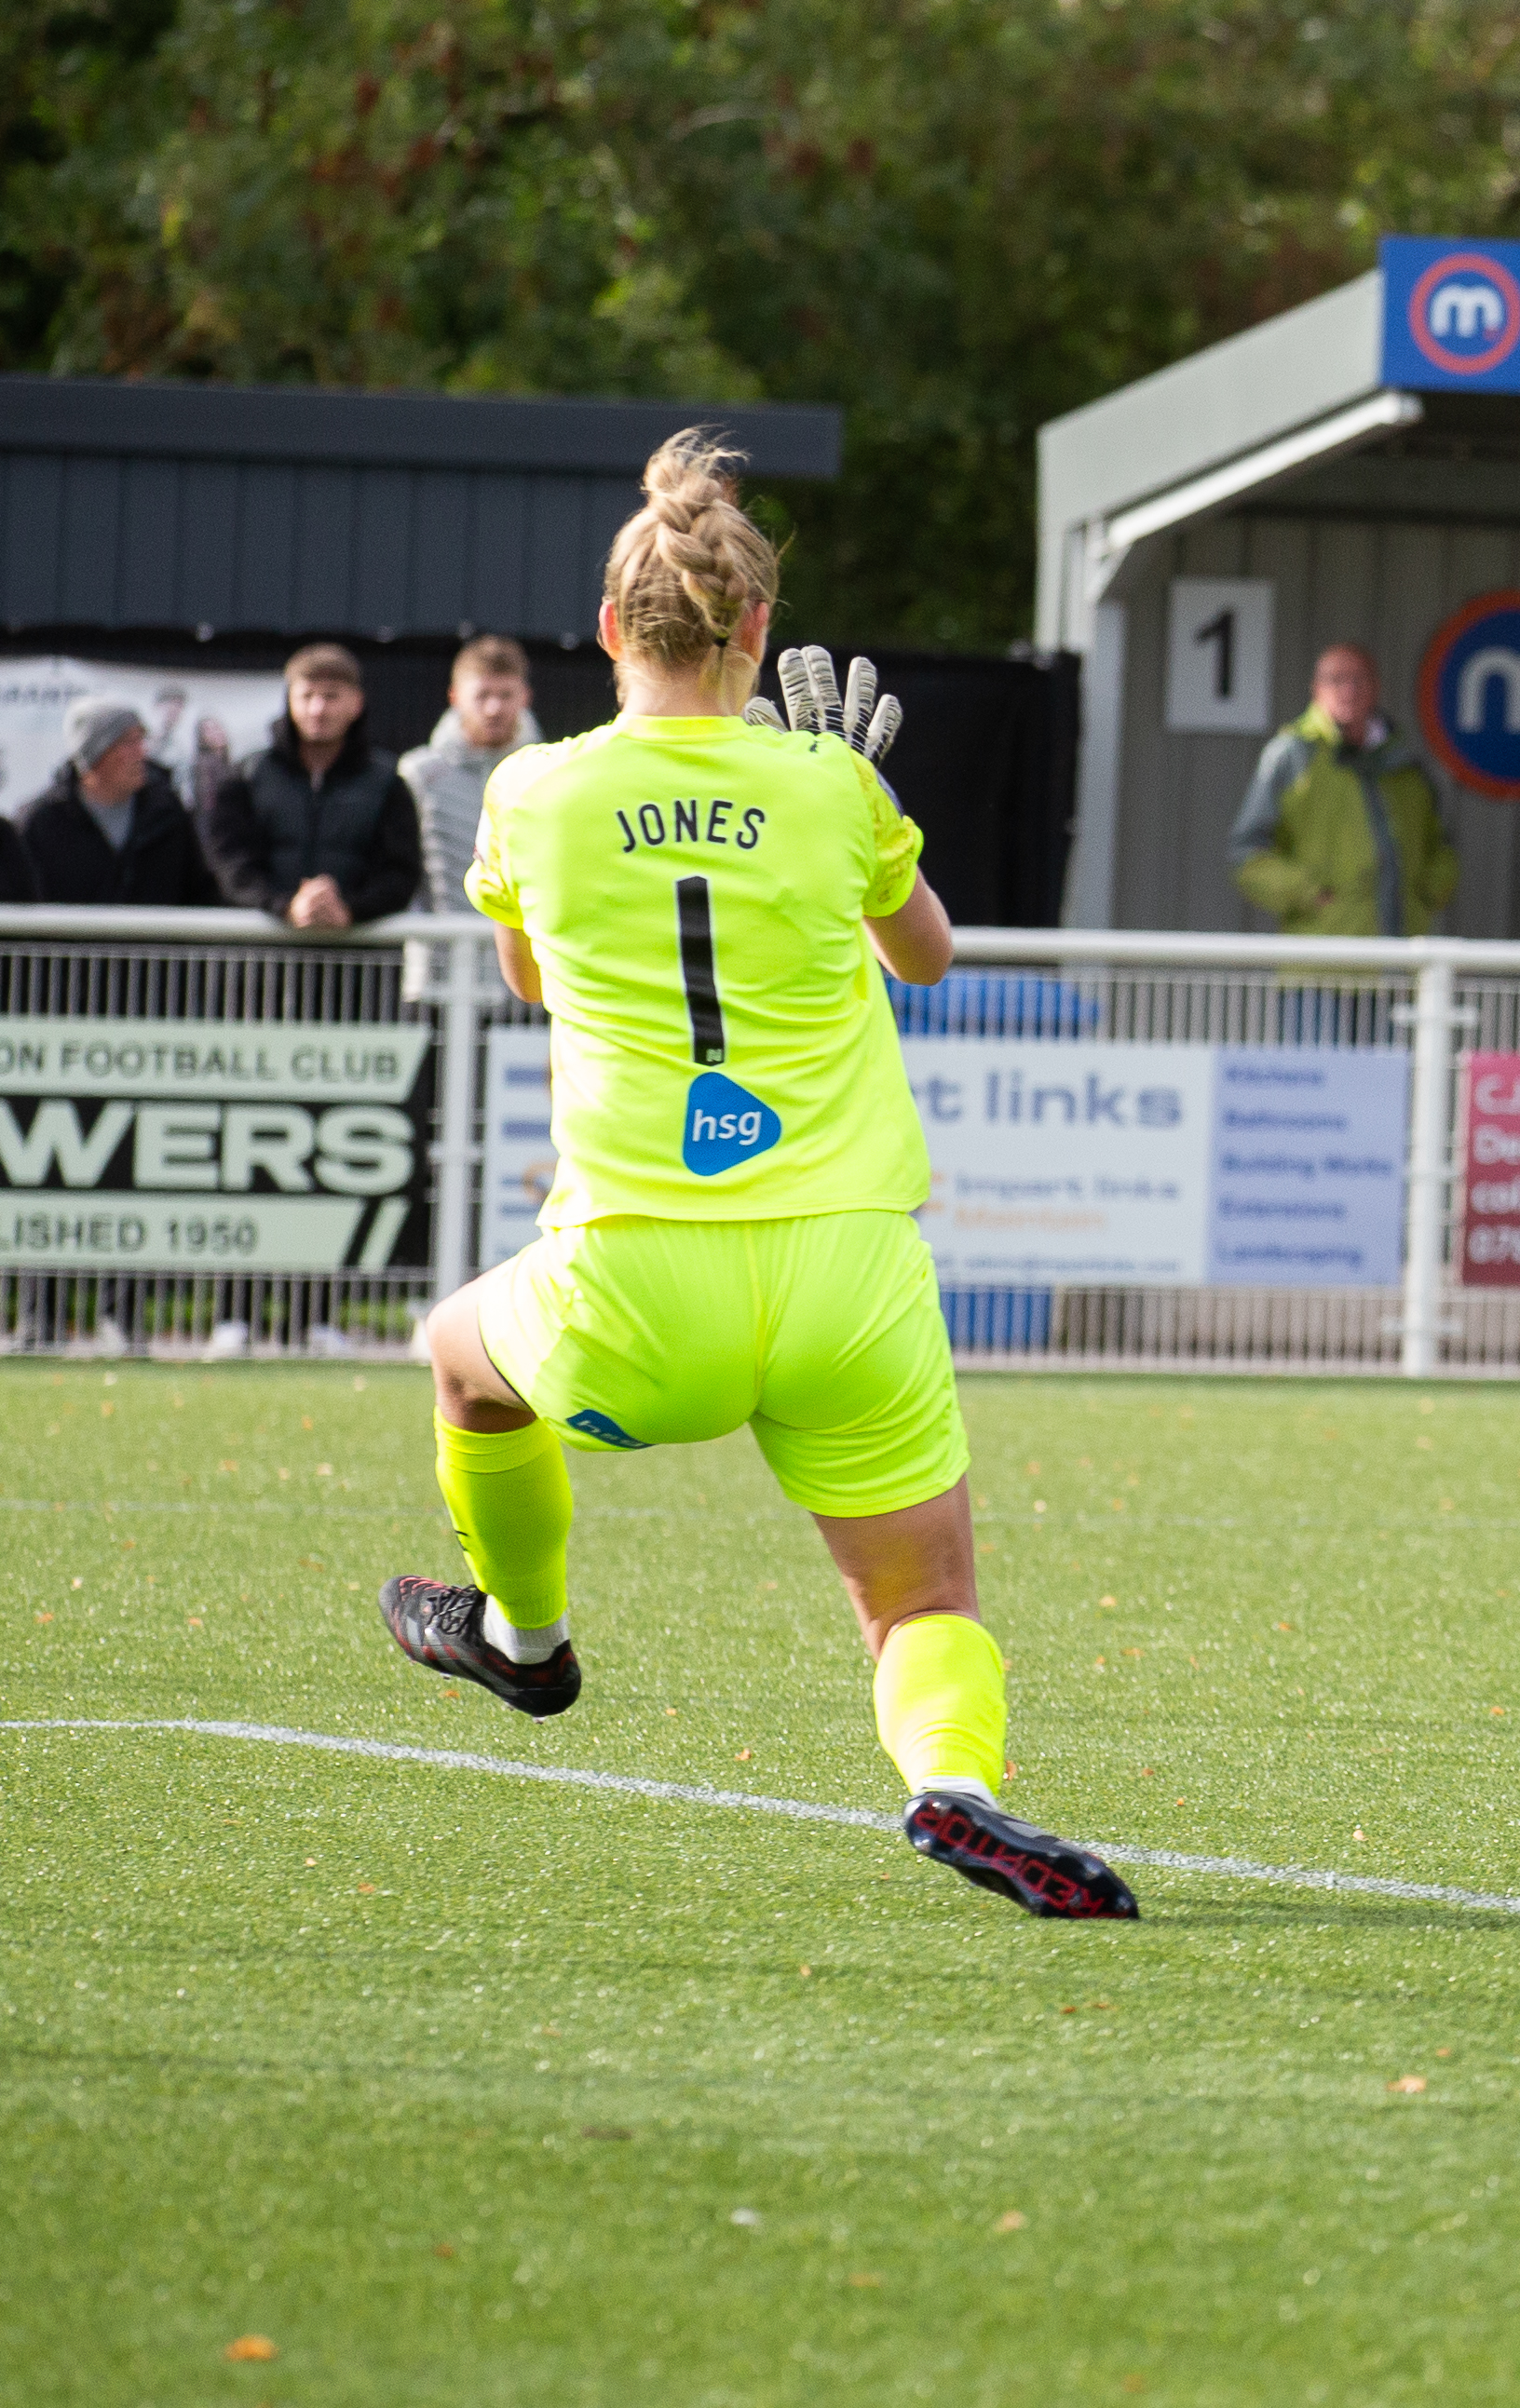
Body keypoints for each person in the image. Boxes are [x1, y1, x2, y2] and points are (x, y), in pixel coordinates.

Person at [378, 430, 1134, 1920]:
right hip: (847, 1272)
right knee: (920, 1599)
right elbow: (928, 955)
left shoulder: (531, 792)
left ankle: (525, 1641)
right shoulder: (828, 783)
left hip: (637, 1282)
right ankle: (954, 1787)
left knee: (459, 1357)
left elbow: (533, 978)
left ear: (606, 629)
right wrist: (843, 804)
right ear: (759, 629)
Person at [1230, 643, 1458, 940]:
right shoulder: (1293, 755)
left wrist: (1427, 895)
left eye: (1358, 680)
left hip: (1400, 958)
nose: (1347, 690)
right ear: (1315, 688)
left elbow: (1441, 846)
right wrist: (1309, 894)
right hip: (1320, 964)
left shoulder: (1404, 765)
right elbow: (1247, 851)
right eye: (1335, 680)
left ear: (1376, 687)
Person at [197, 644, 423, 927]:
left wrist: (350, 911)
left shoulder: (387, 782)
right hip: (261, 956)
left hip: (357, 961)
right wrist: (285, 907)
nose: (318, 709)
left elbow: (400, 873)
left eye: (331, 696)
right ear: (289, 701)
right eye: (307, 696)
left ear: (357, 703)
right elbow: (229, 864)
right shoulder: (247, 776)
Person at [17, 697, 222, 907]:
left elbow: (201, 893)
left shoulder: (167, 815)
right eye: (129, 742)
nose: (141, 752)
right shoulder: (41, 823)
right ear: (95, 753)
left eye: (141, 740)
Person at [400, 635, 542, 920]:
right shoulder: (419, 774)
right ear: (454, 697)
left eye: (505, 695)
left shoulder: (547, 772)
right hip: (436, 955)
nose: (494, 708)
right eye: (482, 695)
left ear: (525, 696)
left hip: (521, 954)